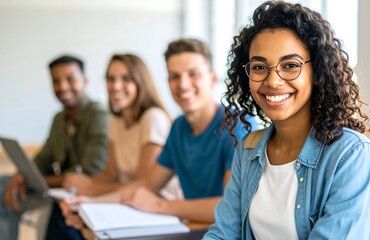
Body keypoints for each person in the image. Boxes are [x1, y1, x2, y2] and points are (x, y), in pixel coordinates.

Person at [203, 1, 370, 239]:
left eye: (290, 65)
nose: (273, 81)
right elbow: (223, 233)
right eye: (259, 67)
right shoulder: (248, 150)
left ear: (318, 72)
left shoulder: (351, 154)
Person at [60, 38, 260, 232]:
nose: (183, 84)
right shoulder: (179, 127)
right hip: (198, 230)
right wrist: (87, 204)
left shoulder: (239, 124)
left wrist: (159, 205)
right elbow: (146, 185)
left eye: (193, 74)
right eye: (174, 76)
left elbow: (231, 208)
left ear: (212, 78)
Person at [45, 53, 179, 239]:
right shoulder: (116, 121)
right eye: (111, 79)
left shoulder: (152, 118)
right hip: (128, 203)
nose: (116, 86)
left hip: (156, 209)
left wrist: (91, 190)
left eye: (125, 79)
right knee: (68, 212)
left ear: (140, 82)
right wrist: (82, 186)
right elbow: (110, 175)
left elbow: (144, 186)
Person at [0, 55, 109, 240]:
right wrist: (22, 175)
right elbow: (43, 159)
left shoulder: (99, 115)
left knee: (10, 194)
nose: (63, 87)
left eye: (70, 79)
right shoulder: (60, 119)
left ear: (85, 80)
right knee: (4, 185)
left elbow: (90, 171)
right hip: (60, 189)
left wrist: (37, 181)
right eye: (56, 81)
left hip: (84, 191)